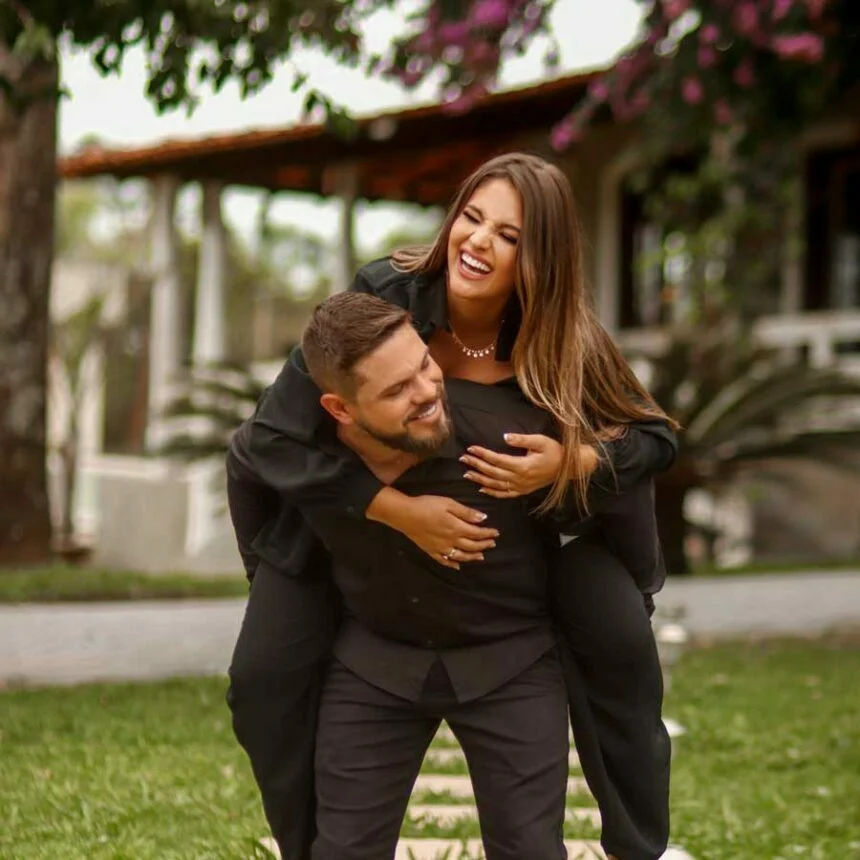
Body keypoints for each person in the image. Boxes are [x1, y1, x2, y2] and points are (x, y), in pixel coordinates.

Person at [228, 152, 678, 860]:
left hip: (517, 608)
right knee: (259, 684)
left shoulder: (565, 341)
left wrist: (577, 461)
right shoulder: (386, 292)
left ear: (543, 258)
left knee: (622, 653)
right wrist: (395, 511)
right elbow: (271, 439)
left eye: (509, 235)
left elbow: (655, 440)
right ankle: (304, 845)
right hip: (338, 540)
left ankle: (638, 841)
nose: (478, 241)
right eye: (472, 217)